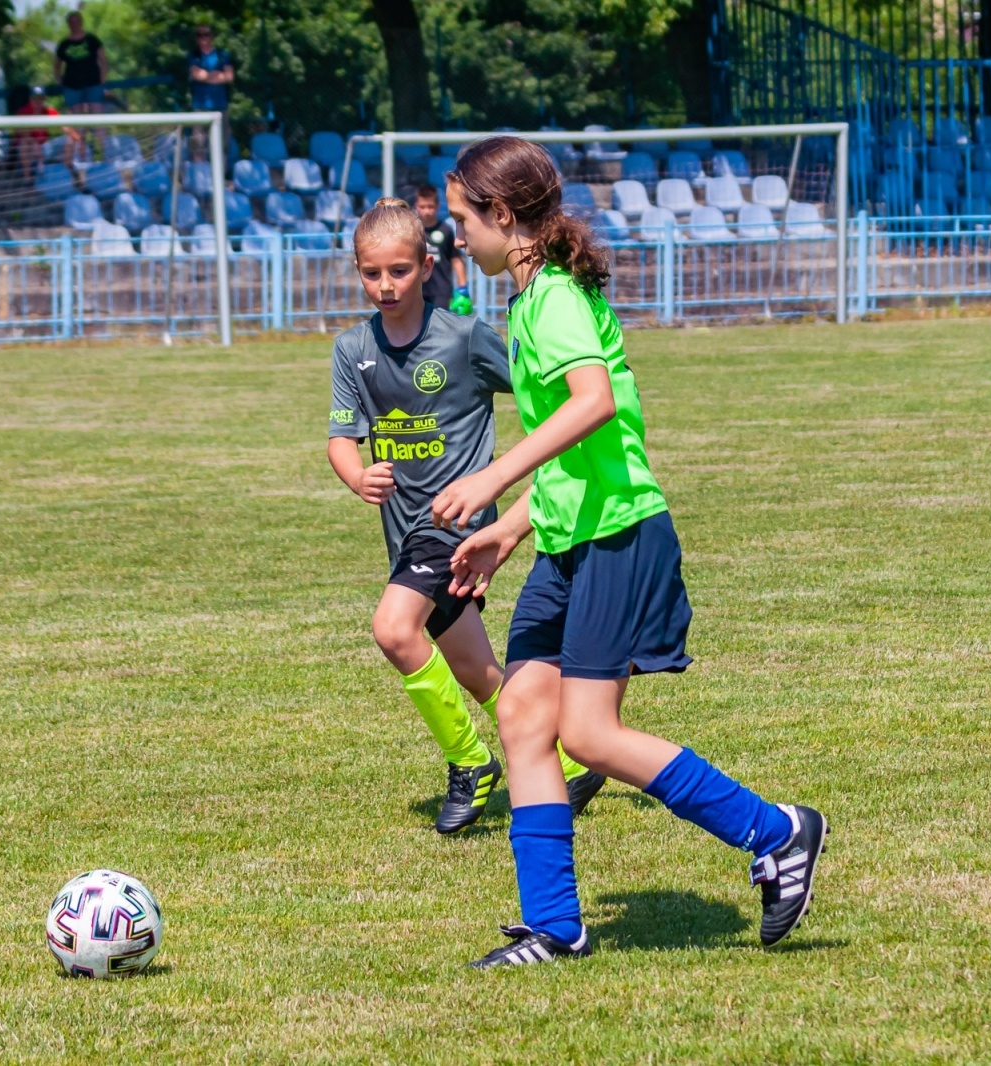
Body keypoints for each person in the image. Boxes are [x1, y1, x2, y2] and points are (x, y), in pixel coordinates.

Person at [433, 137, 826, 969]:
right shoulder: (530, 299)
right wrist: (511, 529)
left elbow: (594, 404)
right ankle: (554, 926)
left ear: (502, 215)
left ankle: (777, 832)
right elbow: (577, 454)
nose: (457, 234)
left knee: (589, 731)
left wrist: (493, 478)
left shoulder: (554, 300)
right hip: (568, 538)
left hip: (619, 536)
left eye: (463, 218)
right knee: (523, 714)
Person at [327, 197, 605, 836]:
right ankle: (570, 761)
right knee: (476, 672)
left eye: (399, 270)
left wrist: (567, 415)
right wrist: (356, 474)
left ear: (427, 267)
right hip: (404, 531)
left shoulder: (464, 337)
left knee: (394, 629)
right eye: (372, 273)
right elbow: (342, 436)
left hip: (458, 521)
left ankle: (471, 761)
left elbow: (541, 389)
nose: (385, 285)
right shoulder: (352, 349)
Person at [413, 185, 471, 314]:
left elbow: (456, 260)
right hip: (416, 289)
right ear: (416, 206)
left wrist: (463, 288)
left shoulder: (445, 230)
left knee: (439, 323)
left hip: (441, 290)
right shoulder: (413, 231)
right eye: (423, 207)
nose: (427, 211)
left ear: (438, 206)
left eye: (430, 207)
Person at [187, 25, 235, 151]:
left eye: (206, 34)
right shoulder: (194, 56)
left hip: (220, 107)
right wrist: (216, 75)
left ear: (212, 36)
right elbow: (197, 75)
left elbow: (229, 77)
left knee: (223, 147)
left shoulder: (222, 55)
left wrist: (207, 76)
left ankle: (221, 165)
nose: (203, 38)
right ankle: (200, 164)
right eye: (199, 35)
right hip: (200, 107)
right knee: (198, 146)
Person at [54, 11, 108, 114]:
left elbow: (103, 61)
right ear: (68, 24)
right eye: (71, 22)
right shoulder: (64, 44)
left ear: (81, 22)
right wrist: (60, 81)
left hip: (93, 84)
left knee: (98, 116)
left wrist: (102, 79)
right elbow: (57, 66)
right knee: (77, 119)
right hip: (72, 86)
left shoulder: (92, 40)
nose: (74, 24)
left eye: (76, 21)